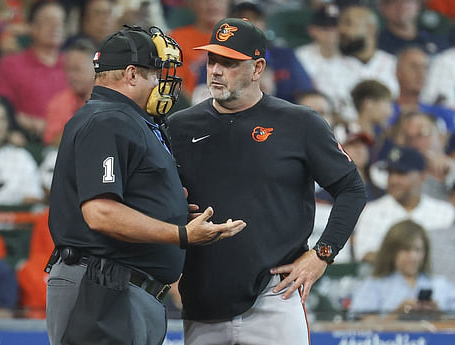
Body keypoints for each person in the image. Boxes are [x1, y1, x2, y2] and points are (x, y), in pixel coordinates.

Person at [166, 18, 367, 345]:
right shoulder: (179, 126)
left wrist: (321, 254)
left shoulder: (300, 123)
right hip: (202, 299)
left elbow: (352, 190)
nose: (215, 70)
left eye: (229, 63)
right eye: (212, 60)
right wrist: (172, 273)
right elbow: (162, 202)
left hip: (276, 295)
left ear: (257, 67)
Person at [46, 26, 246, 345]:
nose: (161, 83)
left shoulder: (131, 119)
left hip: (126, 289)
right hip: (101, 286)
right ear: (131, 74)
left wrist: (174, 212)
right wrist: (180, 233)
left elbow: (131, 198)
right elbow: (100, 212)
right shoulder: (106, 119)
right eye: (155, 74)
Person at [353, 145, 454, 262]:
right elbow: (365, 254)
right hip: (389, 279)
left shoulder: (445, 212)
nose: (393, 180)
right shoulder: (372, 211)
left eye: (401, 173)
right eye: (390, 173)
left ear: (422, 176)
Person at [0, 1, 68, 141]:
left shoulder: (74, 66)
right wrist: (28, 122)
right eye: (48, 21)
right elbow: (1, 106)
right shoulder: (11, 63)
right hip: (26, 139)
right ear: (32, 27)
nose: (55, 26)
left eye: (60, 22)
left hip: (70, 142)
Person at [349, 220, 455, 319]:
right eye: (406, 250)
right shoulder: (374, 285)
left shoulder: (441, 285)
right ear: (392, 252)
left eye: (418, 250)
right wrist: (397, 315)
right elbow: (358, 322)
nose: (413, 257)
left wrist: (439, 315)